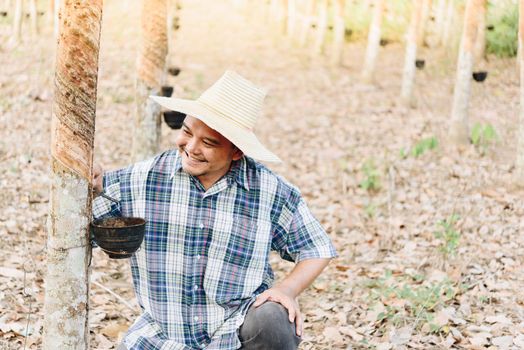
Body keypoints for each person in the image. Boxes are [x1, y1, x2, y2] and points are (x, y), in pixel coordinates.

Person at [92, 71, 337, 350]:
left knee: (273, 319)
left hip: (234, 332)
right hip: (162, 337)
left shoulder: (269, 191)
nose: (192, 148)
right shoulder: (143, 178)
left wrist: (286, 290)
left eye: (209, 143)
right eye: (187, 132)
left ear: (236, 152)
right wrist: (93, 187)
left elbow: (317, 248)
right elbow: (93, 223)